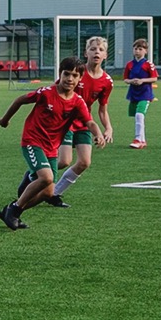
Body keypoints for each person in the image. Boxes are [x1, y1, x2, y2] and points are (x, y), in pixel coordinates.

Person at [0, 58, 93, 230]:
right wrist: (5, 120)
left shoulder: (78, 101)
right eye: (66, 74)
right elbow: (20, 100)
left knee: (48, 192)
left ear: (79, 79)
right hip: (32, 140)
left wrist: (99, 134)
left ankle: (12, 210)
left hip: (51, 147)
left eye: (74, 75)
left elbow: (89, 122)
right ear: (60, 74)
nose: (70, 79)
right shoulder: (47, 93)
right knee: (47, 178)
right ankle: (14, 209)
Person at [49, 35, 114, 203]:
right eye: (93, 49)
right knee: (64, 160)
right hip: (65, 121)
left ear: (106, 55)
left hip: (84, 123)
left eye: (101, 50)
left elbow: (102, 109)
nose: (96, 53)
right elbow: (56, 91)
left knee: (84, 162)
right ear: (86, 53)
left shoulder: (107, 81)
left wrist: (108, 128)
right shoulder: (76, 73)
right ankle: (36, 173)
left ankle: (54, 193)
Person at [124, 38, 158, 148]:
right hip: (134, 93)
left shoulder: (148, 64)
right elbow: (125, 79)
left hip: (145, 94)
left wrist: (142, 80)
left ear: (145, 51)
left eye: (140, 49)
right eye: (135, 49)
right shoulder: (129, 65)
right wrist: (131, 81)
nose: (137, 51)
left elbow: (154, 78)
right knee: (137, 116)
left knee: (139, 114)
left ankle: (138, 139)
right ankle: (142, 140)